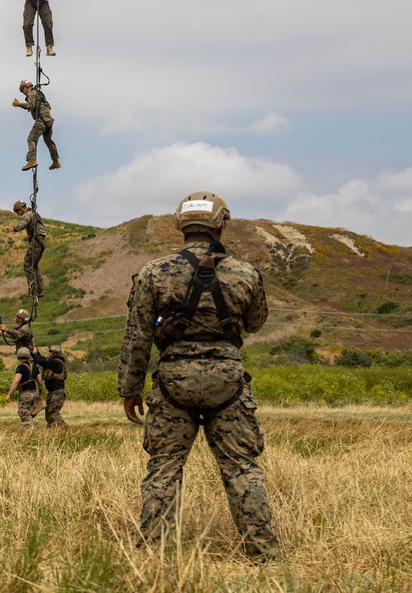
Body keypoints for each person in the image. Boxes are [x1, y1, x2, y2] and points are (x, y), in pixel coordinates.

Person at [117, 191, 279, 560]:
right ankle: (264, 556)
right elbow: (254, 324)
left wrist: (129, 389)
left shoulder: (153, 272)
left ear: (180, 225)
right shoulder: (246, 273)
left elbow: (137, 335)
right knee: (241, 468)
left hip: (173, 381)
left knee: (164, 469)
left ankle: (154, 557)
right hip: (229, 380)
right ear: (221, 223)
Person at [11, 80, 61, 172]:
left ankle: (31, 160)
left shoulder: (32, 94)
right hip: (48, 121)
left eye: (22, 91)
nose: (23, 93)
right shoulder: (38, 93)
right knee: (48, 141)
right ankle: (55, 161)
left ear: (25, 88)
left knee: (31, 138)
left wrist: (19, 104)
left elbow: (31, 105)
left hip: (41, 120)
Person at [6, 199, 47, 297]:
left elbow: (22, 223)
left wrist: (13, 228)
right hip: (41, 243)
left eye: (17, 212)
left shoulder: (27, 215)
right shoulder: (34, 213)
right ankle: (40, 290)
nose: (18, 214)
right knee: (34, 266)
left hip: (36, 242)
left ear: (21, 209)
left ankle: (32, 290)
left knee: (27, 265)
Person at [5, 347, 42, 430]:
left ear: (19, 356)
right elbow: (40, 381)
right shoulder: (35, 367)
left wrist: (9, 394)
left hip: (25, 394)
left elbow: (16, 381)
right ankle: (33, 418)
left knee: (23, 413)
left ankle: (31, 433)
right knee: (28, 413)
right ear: (28, 356)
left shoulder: (20, 368)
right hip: (35, 393)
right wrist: (40, 394)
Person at [32, 344, 68, 428]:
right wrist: (35, 350)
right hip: (52, 392)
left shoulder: (56, 362)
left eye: (50, 351)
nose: (48, 353)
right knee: (48, 415)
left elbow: (41, 361)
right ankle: (50, 432)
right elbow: (41, 359)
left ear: (55, 354)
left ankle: (65, 429)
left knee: (53, 412)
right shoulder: (52, 362)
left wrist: (34, 353)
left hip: (58, 393)